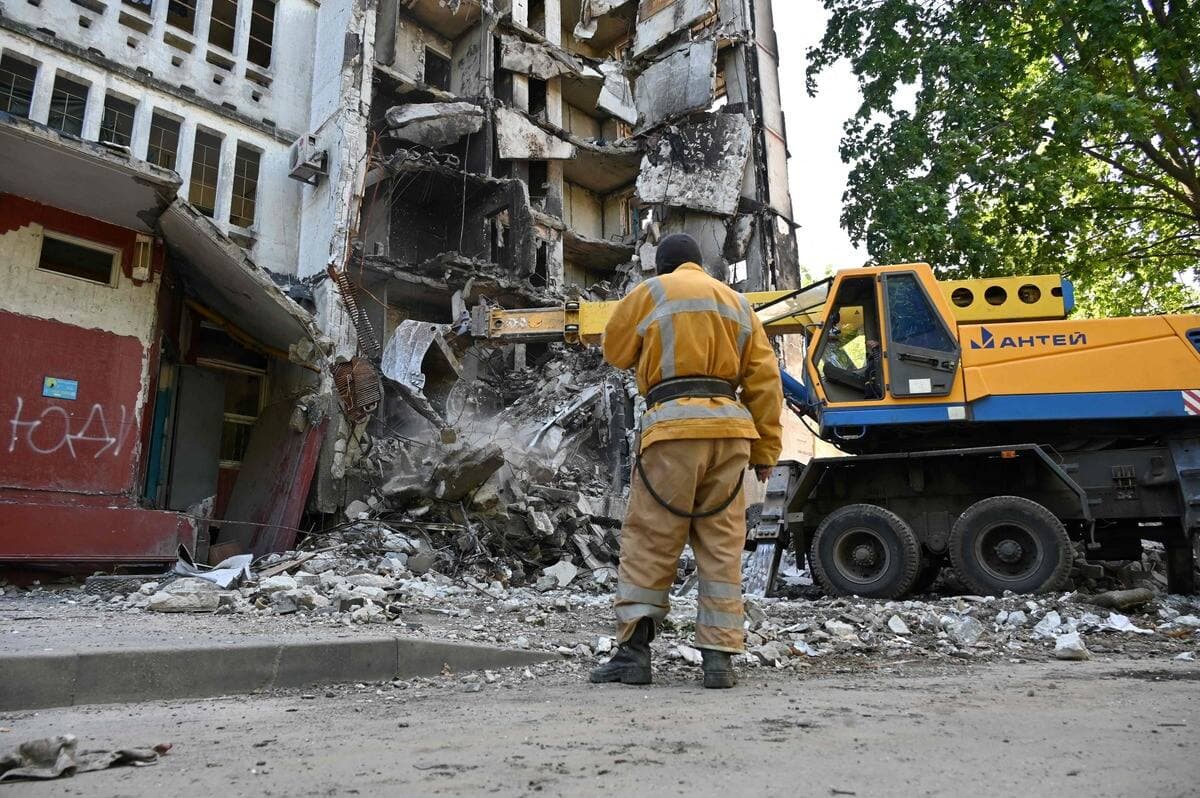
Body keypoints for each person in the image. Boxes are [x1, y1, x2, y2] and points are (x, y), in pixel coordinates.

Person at [589, 233, 783, 689]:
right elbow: (765, 381)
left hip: (673, 432)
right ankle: (719, 661)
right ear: (699, 264)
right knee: (721, 548)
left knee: (652, 540)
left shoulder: (650, 293)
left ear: (662, 268)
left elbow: (614, 351)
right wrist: (766, 452)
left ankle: (634, 656)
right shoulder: (737, 303)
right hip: (731, 436)